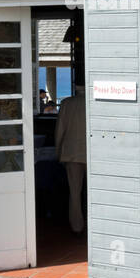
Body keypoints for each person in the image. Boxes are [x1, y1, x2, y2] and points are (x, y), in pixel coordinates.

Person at [54, 85, 87, 234]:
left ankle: (77, 226)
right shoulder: (93, 102)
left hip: (71, 152)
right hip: (92, 153)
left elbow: (60, 130)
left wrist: (58, 151)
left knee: (74, 191)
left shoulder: (67, 103)